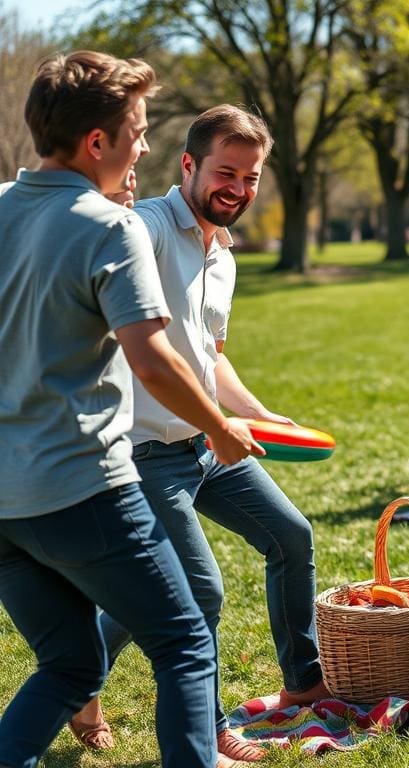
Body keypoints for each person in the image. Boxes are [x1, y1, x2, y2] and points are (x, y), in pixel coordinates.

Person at [0, 51, 263, 768]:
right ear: (98, 142)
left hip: (5, 500)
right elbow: (151, 358)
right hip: (79, 486)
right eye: (139, 132)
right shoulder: (107, 226)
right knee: (185, 638)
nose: (145, 148)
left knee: (70, 664)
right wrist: (219, 425)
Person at [72, 105, 326, 765]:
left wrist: (262, 413)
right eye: (225, 172)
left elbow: (211, 354)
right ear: (188, 164)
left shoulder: (224, 254)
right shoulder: (149, 229)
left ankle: (303, 681)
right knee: (198, 590)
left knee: (291, 536)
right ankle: (207, 730)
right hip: (144, 454)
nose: (238, 188)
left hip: (209, 443)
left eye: (250, 176)